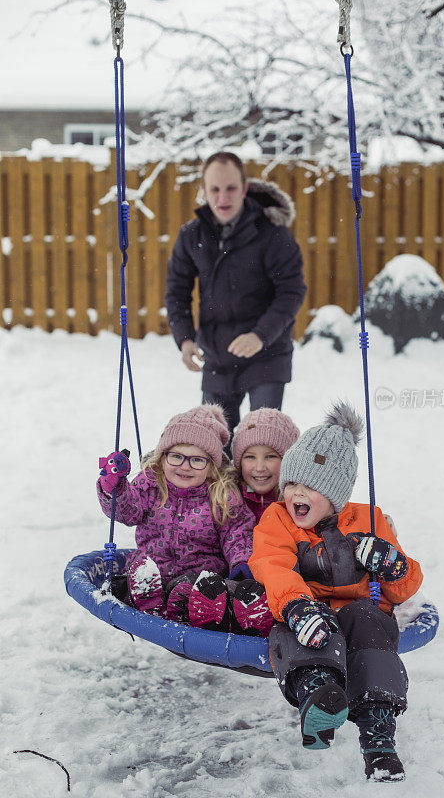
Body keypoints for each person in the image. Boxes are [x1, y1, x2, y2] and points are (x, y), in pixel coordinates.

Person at [249, 402, 423, 782]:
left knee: (370, 625)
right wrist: (296, 607)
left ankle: (379, 736)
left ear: (335, 493)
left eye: (309, 486)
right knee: (299, 628)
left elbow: (405, 586)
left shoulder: (369, 519)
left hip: (362, 610)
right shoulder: (277, 518)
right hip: (306, 606)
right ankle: (319, 694)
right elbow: (272, 564)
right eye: (291, 482)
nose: (295, 493)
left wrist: (390, 562)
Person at [165, 151, 307, 437]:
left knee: (263, 443)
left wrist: (260, 334)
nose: (222, 198)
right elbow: (177, 291)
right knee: (214, 447)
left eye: (230, 188)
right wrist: (185, 339)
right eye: (214, 189)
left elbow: (291, 291)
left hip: (267, 355)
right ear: (203, 191)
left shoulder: (273, 234)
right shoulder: (192, 235)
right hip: (217, 357)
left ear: (244, 188)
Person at [97, 405, 271, 636]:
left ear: (211, 467)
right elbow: (128, 510)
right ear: (162, 457)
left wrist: (241, 563)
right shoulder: (150, 484)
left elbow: (237, 533)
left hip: (200, 579)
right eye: (177, 456)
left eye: (197, 460)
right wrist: (115, 488)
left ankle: (198, 612)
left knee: (191, 589)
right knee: (131, 579)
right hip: (152, 571)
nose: (185, 466)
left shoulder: (222, 495)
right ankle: (147, 599)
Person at [231, 407, 300, 524]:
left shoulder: (299, 503)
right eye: (250, 457)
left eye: (270, 457)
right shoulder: (226, 500)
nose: (260, 468)